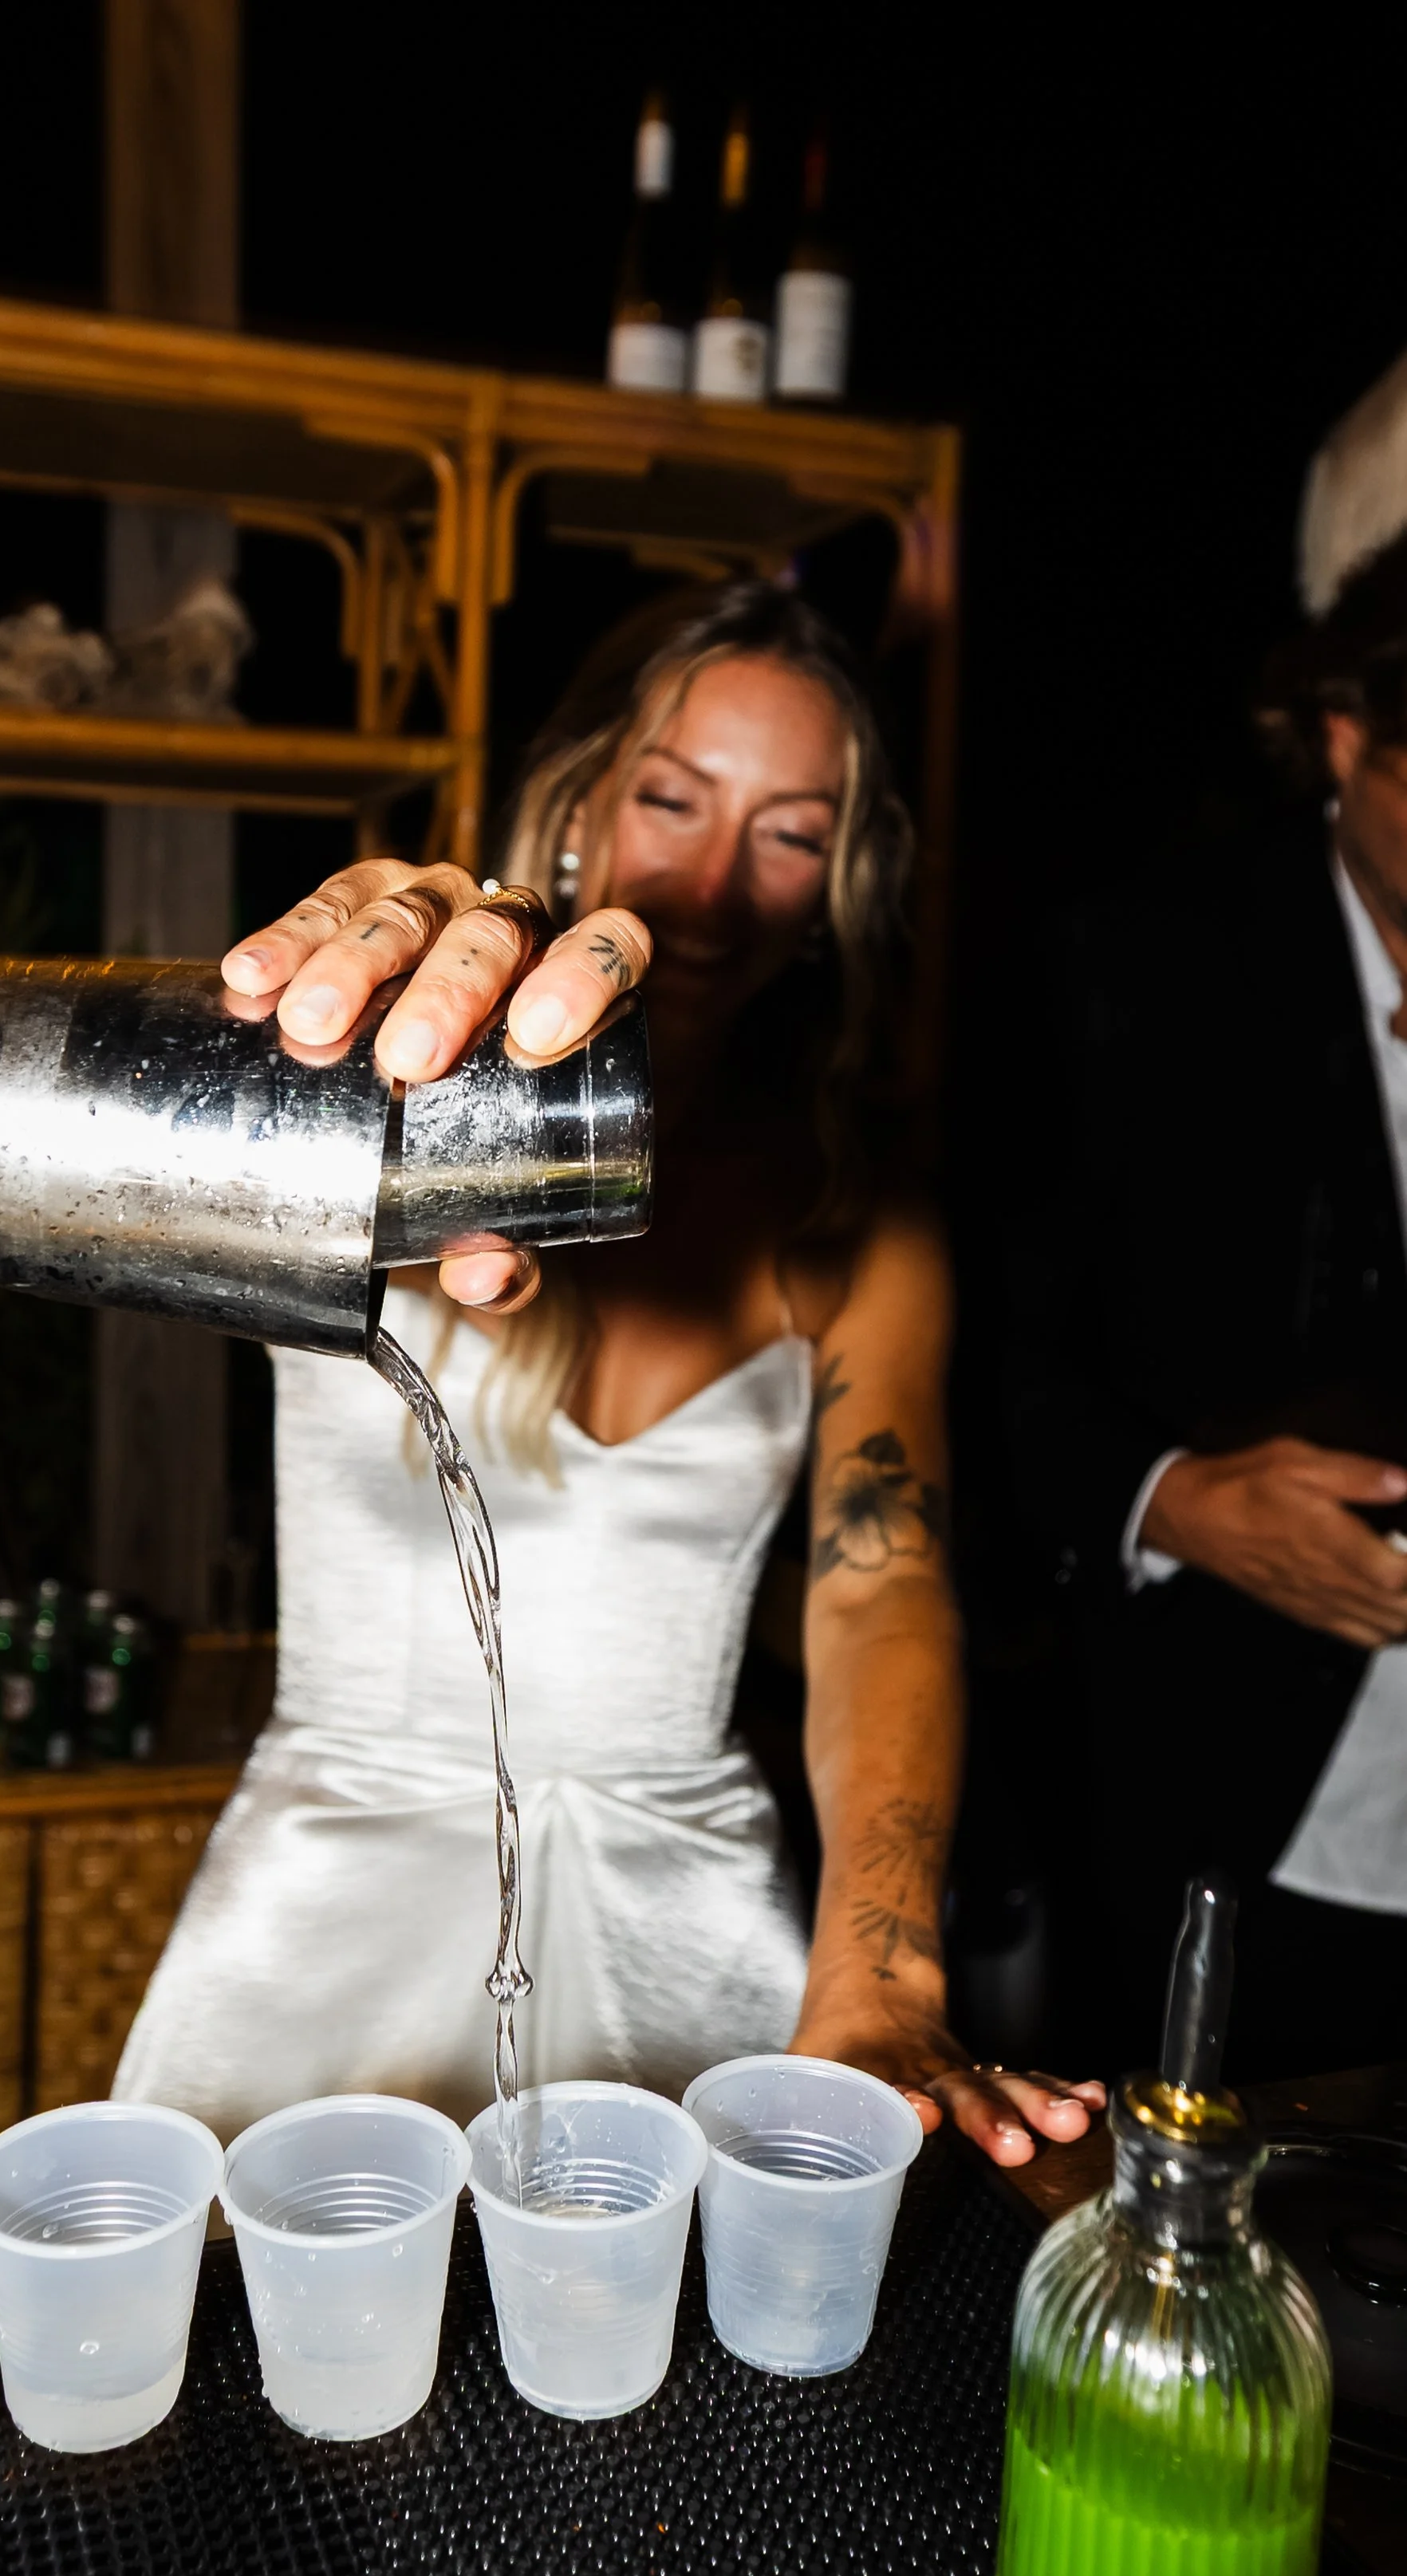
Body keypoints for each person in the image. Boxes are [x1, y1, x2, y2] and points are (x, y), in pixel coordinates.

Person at [115, 581, 1102, 2164]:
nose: (711, 886)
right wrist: (289, 1029)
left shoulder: (856, 1221)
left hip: (691, 1930)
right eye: (670, 800)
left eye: (790, 832)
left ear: (837, 887)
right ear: (573, 808)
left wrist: (878, 1974)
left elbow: (880, 1589)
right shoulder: (374, 1098)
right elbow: (119, 1174)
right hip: (317, 1923)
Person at [1006, 396, 1407, 2080]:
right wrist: (1171, 1500)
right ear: (1343, 735)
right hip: (1230, 1823)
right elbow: (979, 1365)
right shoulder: (1137, 966)